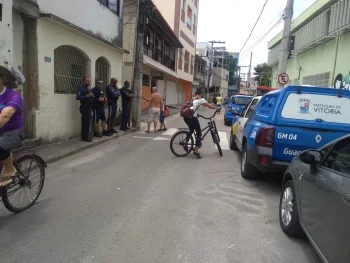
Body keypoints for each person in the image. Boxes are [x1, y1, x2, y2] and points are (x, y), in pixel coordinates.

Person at [0, 73, 24, 187]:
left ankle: (10, 169)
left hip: (13, 131)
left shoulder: (13, 96)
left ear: (2, 80)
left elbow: (5, 116)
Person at [184, 89, 217, 158]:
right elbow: (209, 106)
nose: (202, 95)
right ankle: (196, 151)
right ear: (199, 94)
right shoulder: (201, 99)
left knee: (191, 130)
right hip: (192, 118)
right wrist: (216, 108)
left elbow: (191, 108)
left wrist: (196, 114)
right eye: (201, 94)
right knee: (199, 133)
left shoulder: (192, 98)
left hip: (186, 117)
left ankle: (186, 143)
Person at [76, 76, 94, 142]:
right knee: (85, 123)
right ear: (83, 81)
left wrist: (92, 96)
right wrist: (87, 96)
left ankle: (85, 136)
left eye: (89, 81)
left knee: (87, 122)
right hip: (85, 107)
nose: (88, 82)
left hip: (89, 107)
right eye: (87, 81)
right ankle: (85, 137)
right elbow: (77, 97)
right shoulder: (81, 89)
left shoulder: (87, 89)